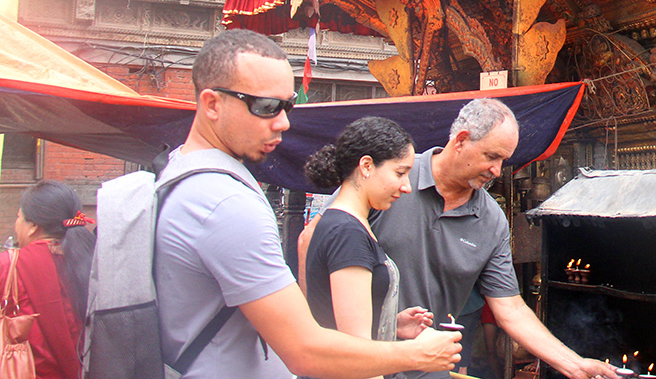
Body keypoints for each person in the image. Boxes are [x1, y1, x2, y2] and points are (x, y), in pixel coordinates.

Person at [154, 29, 462, 379]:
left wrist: (391, 330)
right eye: (267, 107)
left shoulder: (181, 174)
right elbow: (305, 350)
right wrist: (416, 354)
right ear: (212, 104)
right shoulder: (225, 204)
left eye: (287, 106)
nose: (284, 122)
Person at [303, 98, 617, 379]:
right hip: (359, 363)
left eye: (503, 161)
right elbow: (315, 240)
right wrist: (322, 334)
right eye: (491, 156)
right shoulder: (392, 180)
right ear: (461, 141)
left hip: (428, 366)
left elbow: (510, 308)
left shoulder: (491, 218)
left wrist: (575, 365)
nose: (497, 170)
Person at [302, 116, 433, 346]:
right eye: (400, 173)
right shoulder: (347, 233)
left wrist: (391, 323)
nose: (407, 187)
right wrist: (421, 353)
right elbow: (357, 349)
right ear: (366, 166)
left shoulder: (345, 224)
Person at [1, 180, 95, 379]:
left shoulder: (9, 265)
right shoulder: (94, 262)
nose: (16, 225)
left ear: (33, 226)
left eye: (19, 217)